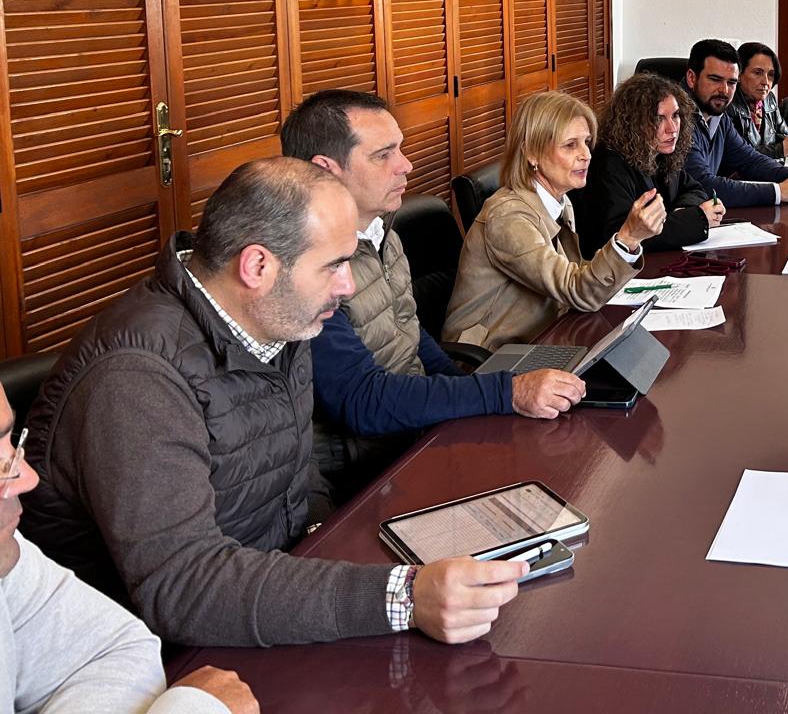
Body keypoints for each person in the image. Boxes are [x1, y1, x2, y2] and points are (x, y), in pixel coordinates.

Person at [22, 158, 528, 647]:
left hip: (269, 596)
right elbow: (184, 586)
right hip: (166, 654)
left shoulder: (279, 318)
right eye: (334, 265)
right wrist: (399, 596)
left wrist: (333, 547)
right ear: (258, 265)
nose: (347, 285)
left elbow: (293, 471)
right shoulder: (136, 378)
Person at [281, 90, 602, 496]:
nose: (406, 165)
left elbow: (418, 342)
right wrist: (503, 392)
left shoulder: (384, 236)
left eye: (400, 149)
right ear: (326, 170)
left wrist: (488, 405)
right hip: (368, 468)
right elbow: (361, 400)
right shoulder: (301, 271)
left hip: (418, 429)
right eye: (383, 155)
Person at [0, 387, 257, 712]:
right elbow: (185, 585)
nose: (27, 478)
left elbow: (114, 647)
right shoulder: (129, 381)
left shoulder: (6, 555)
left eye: (9, 444)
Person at [441, 91, 663, 351]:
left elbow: (574, 279)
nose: (586, 155)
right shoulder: (508, 217)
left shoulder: (559, 200)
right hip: (493, 359)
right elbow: (577, 290)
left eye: (586, 142)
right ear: (532, 153)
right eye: (570, 145)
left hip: (547, 338)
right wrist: (628, 238)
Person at [572, 71, 724, 256]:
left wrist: (681, 210)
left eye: (675, 115)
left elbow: (693, 188)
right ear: (632, 122)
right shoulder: (608, 164)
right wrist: (698, 218)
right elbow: (623, 235)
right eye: (659, 119)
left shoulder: (661, 152)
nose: (672, 128)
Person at [683, 38, 788, 207]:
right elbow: (702, 185)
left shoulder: (717, 114)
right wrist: (779, 192)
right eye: (715, 79)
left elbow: (748, 159)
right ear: (691, 78)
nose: (724, 90)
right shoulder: (675, 117)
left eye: (731, 82)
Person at [727, 41, 788, 159]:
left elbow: (784, 133)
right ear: (738, 74)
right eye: (757, 73)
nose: (766, 82)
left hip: (768, 170)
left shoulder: (769, 99)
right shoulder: (728, 103)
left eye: (770, 74)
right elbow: (737, 155)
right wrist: (782, 149)